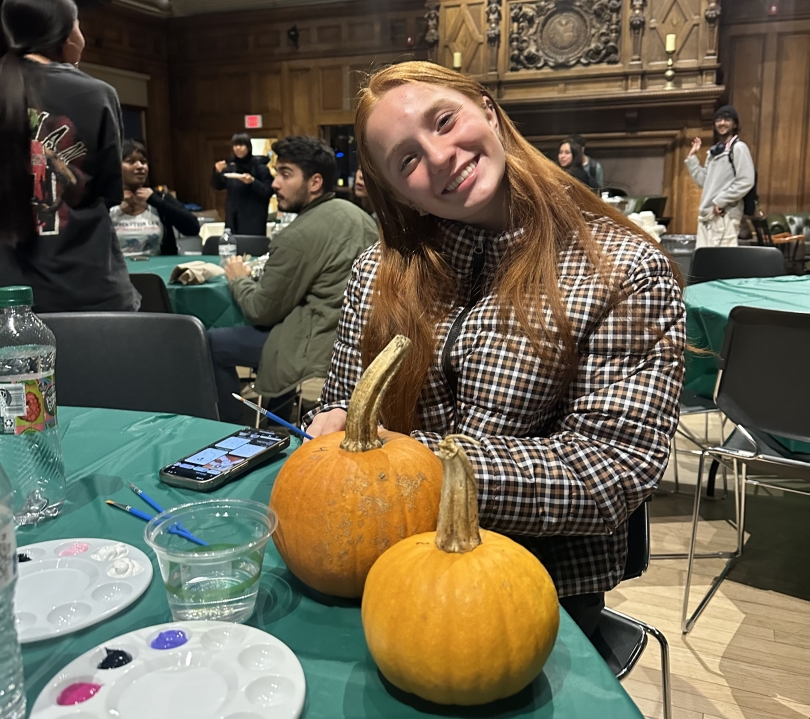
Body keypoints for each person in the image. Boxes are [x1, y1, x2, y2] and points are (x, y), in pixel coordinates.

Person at [305, 62, 685, 639]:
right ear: (392, 189)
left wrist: (414, 466)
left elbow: (610, 474)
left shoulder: (623, 268)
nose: (437, 157)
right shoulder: (375, 274)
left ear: (487, 108)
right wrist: (329, 428)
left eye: (444, 120)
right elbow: (342, 407)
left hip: (540, 588)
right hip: (386, 568)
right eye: (406, 159)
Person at [208, 136, 378, 424]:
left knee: (212, 342)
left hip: (319, 342)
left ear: (314, 183)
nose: (275, 184)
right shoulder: (358, 215)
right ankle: (277, 418)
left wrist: (238, 279)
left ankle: (234, 433)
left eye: (285, 174)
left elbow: (261, 310)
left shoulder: (296, 236)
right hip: (354, 339)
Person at [0, 0, 137, 312]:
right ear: (65, 35)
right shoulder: (95, 94)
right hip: (86, 292)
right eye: (78, 24)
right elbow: (109, 192)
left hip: (7, 296)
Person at [110, 139, 200, 256]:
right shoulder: (105, 199)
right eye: (131, 161)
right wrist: (112, 201)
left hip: (157, 270)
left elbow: (193, 228)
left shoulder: (159, 197)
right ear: (117, 166)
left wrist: (156, 202)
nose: (140, 166)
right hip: (116, 271)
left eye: (143, 162)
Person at [686, 105, 755, 249]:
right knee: (706, 265)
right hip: (707, 216)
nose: (722, 123)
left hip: (725, 216)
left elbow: (746, 180)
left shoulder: (739, 148)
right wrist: (692, 158)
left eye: (727, 119)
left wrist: (720, 201)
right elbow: (704, 182)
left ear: (734, 124)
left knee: (723, 266)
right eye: (718, 119)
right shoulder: (714, 152)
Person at [211, 132, 273, 236]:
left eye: (241, 145)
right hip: (232, 218)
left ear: (248, 147)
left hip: (253, 220)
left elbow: (268, 191)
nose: (238, 148)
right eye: (235, 145)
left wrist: (252, 182)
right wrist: (217, 172)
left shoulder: (260, 168)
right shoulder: (230, 167)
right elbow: (218, 186)